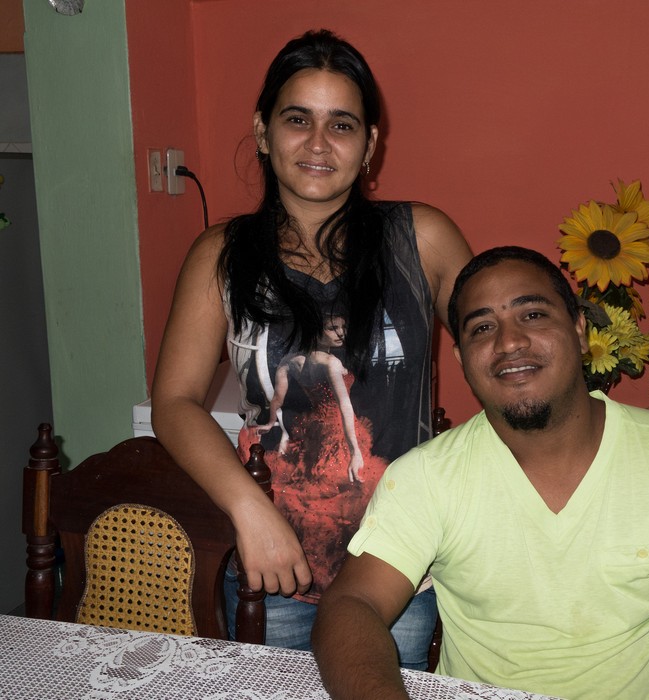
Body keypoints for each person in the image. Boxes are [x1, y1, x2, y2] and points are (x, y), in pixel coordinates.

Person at [312, 246, 649, 699]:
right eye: (483, 327)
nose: (509, 342)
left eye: (532, 315)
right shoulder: (427, 477)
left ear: (580, 331)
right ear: (462, 358)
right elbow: (353, 604)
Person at [150, 28, 471, 667]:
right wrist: (250, 510)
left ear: (370, 144)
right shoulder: (221, 256)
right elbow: (175, 401)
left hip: (400, 577)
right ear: (264, 132)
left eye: (342, 125)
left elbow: (502, 359)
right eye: (298, 120)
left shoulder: (422, 240)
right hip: (271, 572)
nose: (319, 144)